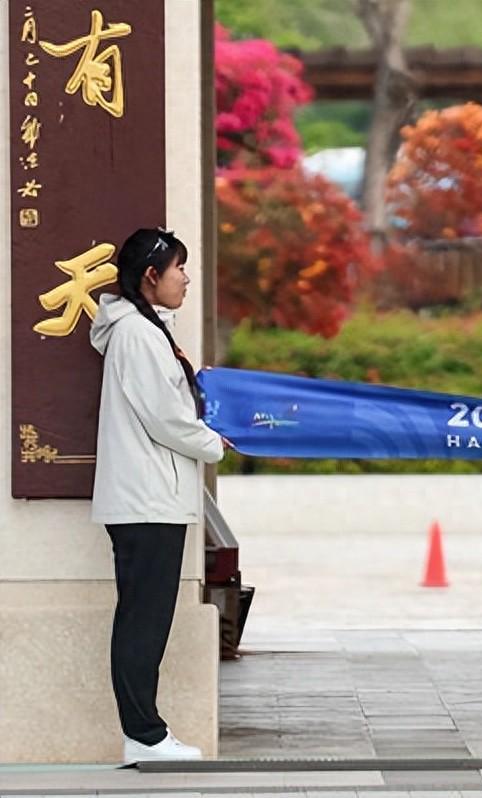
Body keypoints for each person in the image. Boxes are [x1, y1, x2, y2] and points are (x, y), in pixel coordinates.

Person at [91, 228, 226, 764]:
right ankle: (144, 736)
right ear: (151, 276)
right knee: (143, 619)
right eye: (178, 269)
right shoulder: (137, 335)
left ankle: (142, 733)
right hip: (146, 499)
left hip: (149, 497)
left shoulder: (146, 330)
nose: (186, 279)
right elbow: (165, 417)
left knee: (144, 616)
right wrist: (214, 442)